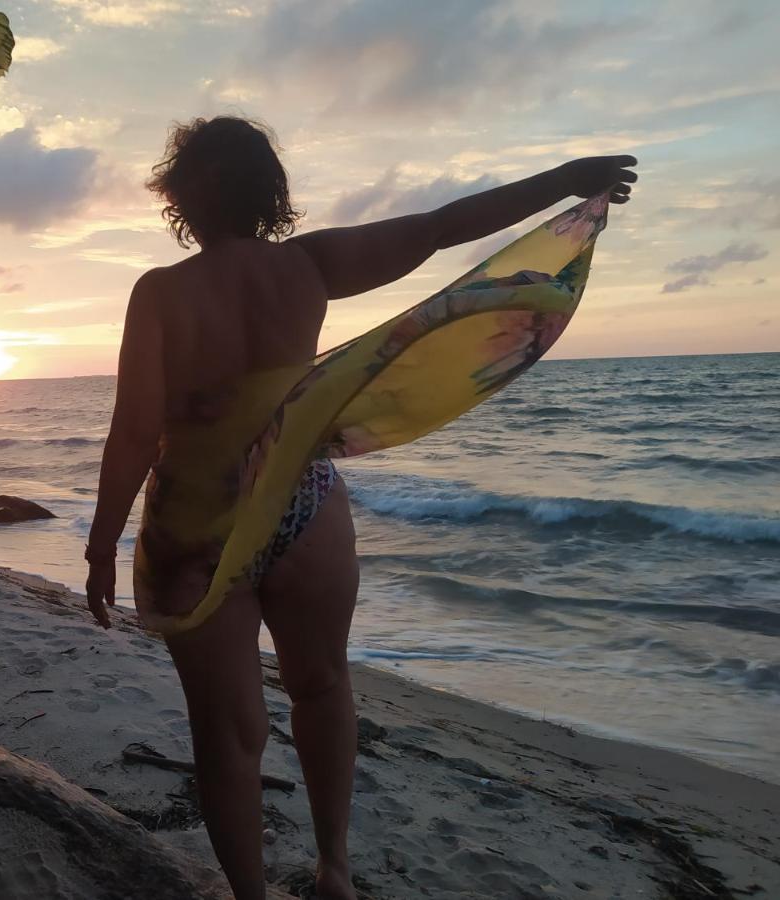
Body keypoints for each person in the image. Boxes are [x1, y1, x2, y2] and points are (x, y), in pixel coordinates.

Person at [84, 115, 635, 899]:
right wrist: (566, 178)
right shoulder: (310, 265)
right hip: (304, 505)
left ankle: (250, 895)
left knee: (228, 734)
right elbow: (443, 228)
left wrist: (102, 541)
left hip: (193, 525)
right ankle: (334, 870)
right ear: (267, 189)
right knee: (322, 684)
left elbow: (136, 430)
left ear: (179, 196)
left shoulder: (162, 293)